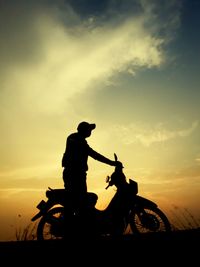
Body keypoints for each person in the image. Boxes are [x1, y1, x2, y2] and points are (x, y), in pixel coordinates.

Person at [62, 121, 121, 236]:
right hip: (73, 174)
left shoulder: (81, 141)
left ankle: (83, 229)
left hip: (79, 174)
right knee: (78, 201)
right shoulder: (74, 138)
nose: (90, 132)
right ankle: (71, 229)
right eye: (89, 130)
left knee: (84, 201)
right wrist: (111, 163)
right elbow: (94, 154)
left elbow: (93, 154)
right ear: (84, 130)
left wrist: (111, 163)